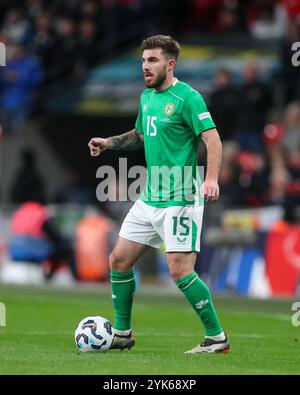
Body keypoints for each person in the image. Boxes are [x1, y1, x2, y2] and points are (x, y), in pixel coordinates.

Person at [88, 35, 229, 354]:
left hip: (181, 197)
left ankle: (216, 338)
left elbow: (213, 140)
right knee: (119, 260)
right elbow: (140, 134)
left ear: (171, 63)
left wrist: (211, 179)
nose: (145, 67)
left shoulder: (187, 98)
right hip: (150, 195)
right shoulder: (146, 98)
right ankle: (122, 333)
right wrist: (109, 143)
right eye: (142, 60)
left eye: (152, 60)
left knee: (180, 269)